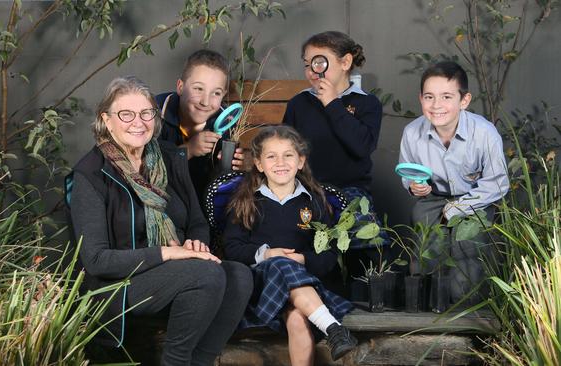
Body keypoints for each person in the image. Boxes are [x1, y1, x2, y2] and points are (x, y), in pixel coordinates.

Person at [68, 75, 253, 365]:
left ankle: (199, 362)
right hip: (116, 285)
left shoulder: (169, 157)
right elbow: (96, 261)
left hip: (174, 275)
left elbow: (196, 221)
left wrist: (196, 243)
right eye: (126, 114)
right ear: (107, 119)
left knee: (240, 276)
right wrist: (171, 253)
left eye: (146, 113)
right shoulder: (90, 174)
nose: (138, 122)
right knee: (206, 274)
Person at [222, 125, 357, 365]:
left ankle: (332, 330)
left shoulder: (314, 203)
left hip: (306, 289)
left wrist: (304, 260)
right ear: (259, 164)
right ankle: (333, 327)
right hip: (262, 288)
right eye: (271, 156)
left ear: (301, 161)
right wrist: (266, 255)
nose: (280, 162)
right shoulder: (245, 202)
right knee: (279, 263)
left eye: (288, 155)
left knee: (296, 319)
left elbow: (328, 254)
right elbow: (232, 249)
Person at [282, 30, 387, 293]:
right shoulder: (299, 103)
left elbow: (361, 146)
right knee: (301, 232)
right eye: (307, 65)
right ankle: (319, 294)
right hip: (306, 190)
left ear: (345, 62)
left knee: (362, 235)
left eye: (319, 63)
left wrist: (332, 103)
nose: (312, 71)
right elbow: (285, 144)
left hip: (349, 190)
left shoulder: (367, 103)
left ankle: (360, 296)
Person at [398, 61, 509, 304]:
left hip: (475, 199)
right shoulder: (412, 133)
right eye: (429, 97)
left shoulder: (484, 133)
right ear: (421, 99)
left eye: (446, 97)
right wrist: (415, 186)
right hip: (432, 198)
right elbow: (408, 173)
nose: (436, 105)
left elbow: (497, 184)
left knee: (468, 258)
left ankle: (468, 311)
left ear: (464, 100)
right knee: (425, 252)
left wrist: (457, 209)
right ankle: (426, 309)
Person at [156, 49, 245, 199]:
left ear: (223, 94)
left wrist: (226, 166)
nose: (205, 102)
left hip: (201, 203)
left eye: (216, 93)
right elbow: (145, 169)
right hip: (162, 200)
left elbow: (215, 185)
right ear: (180, 87)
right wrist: (189, 150)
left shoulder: (226, 121)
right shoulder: (154, 111)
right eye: (198, 89)